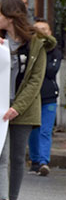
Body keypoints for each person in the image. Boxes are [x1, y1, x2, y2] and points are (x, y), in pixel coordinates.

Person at [0, 0, 55, 200]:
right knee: (0, 155)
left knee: (17, 157)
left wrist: (17, 107)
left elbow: (36, 80)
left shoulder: (36, 44)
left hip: (22, 108)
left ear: (11, 17)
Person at [28, 19, 61, 177]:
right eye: (38, 29)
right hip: (32, 97)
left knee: (45, 131)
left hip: (49, 97)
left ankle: (43, 162)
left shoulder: (55, 51)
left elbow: (50, 71)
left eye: (44, 29)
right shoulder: (29, 49)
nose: (41, 32)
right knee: (33, 130)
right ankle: (34, 161)